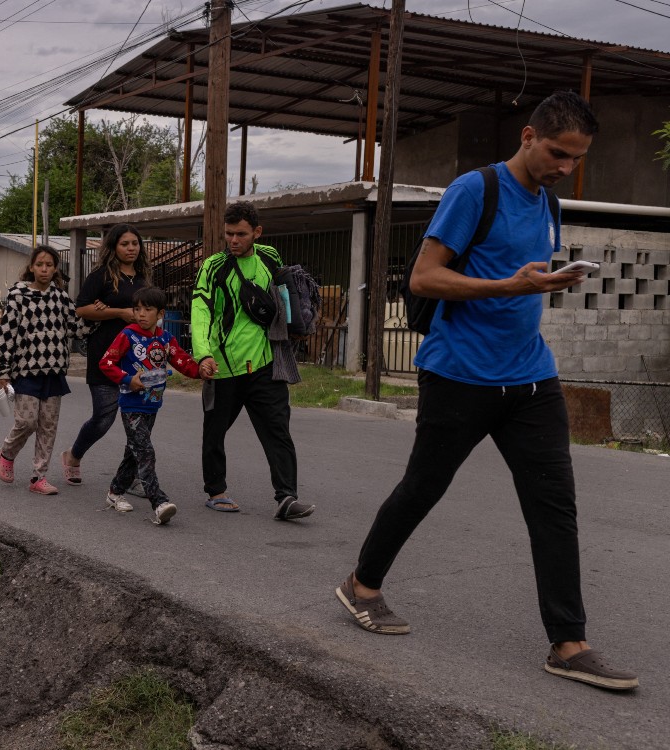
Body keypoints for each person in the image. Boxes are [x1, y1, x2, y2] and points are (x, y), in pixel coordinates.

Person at [335, 91, 637, 691]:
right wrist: (509, 287)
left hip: (530, 376)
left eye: (575, 158)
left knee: (554, 506)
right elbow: (424, 277)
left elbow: (525, 278)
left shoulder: (549, 201)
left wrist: (547, 282)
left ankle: (568, 642)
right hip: (459, 374)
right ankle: (361, 586)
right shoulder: (475, 190)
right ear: (528, 137)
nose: (564, 167)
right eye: (557, 153)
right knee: (423, 487)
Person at [190, 201, 315, 520]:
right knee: (214, 431)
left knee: (278, 431)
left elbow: (284, 292)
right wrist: (203, 353)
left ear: (257, 232)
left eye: (241, 234)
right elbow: (201, 310)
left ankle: (287, 497)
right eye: (229, 234)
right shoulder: (213, 266)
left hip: (264, 365)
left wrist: (294, 325)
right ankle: (216, 491)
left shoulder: (270, 257)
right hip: (223, 366)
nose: (233, 240)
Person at [98, 286, 209, 524]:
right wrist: (129, 379)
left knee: (134, 452)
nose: (141, 314)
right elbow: (106, 363)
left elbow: (183, 362)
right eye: (137, 309)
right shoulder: (127, 335)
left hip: (152, 405)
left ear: (160, 313)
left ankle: (114, 493)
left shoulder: (165, 339)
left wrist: (201, 370)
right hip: (130, 404)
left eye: (147, 310)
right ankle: (159, 502)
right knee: (145, 452)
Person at [61, 223, 152, 489]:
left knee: (138, 421)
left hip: (137, 358)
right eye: (125, 244)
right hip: (106, 356)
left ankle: (130, 475)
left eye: (135, 243)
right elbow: (81, 309)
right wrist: (118, 312)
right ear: (113, 247)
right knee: (104, 417)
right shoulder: (101, 276)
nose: (131, 248)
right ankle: (73, 456)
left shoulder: (143, 278)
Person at [0, 245, 78, 495]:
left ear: (55, 268)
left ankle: (38, 477)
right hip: (26, 371)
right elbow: (5, 335)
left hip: (54, 371)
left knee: (48, 426)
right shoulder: (18, 296)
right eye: (40, 264)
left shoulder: (61, 298)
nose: (44, 269)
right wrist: (1, 370)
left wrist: (102, 313)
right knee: (27, 422)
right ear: (31, 267)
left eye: (49, 265)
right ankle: (7, 453)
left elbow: (76, 327)